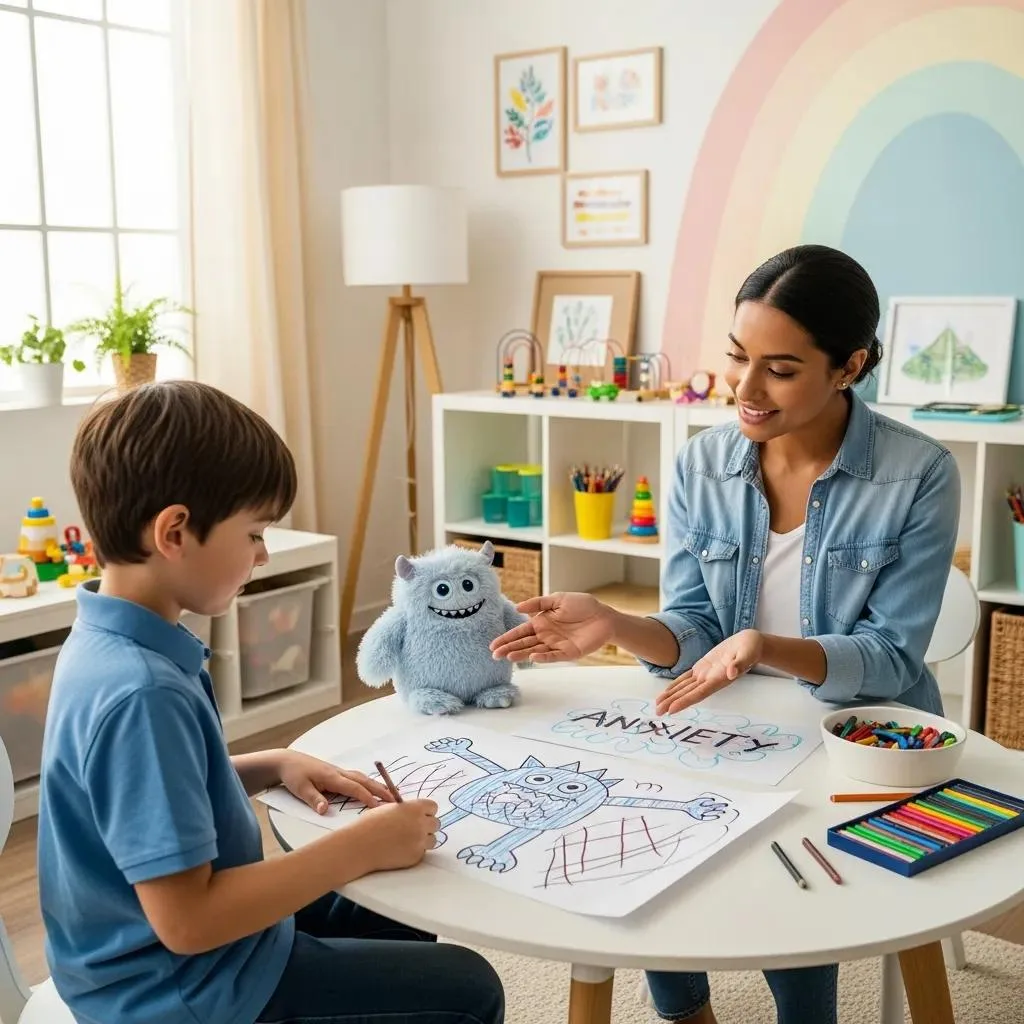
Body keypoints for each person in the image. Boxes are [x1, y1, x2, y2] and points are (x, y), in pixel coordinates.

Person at [490, 244, 960, 1024]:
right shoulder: (702, 463)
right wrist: (616, 625)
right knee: (640, 847)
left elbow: (889, 658)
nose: (743, 389)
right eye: (738, 357)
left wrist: (763, 649)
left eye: (779, 368)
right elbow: (695, 626)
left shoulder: (918, 474)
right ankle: (686, 1013)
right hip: (726, 719)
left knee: (792, 891)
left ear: (848, 365)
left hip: (858, 734)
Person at [37, 381, 504, 1024]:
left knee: (394, 903)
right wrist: (361, 845)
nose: (261, 554)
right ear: (175, 531)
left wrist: (272, 762)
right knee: (470, 990)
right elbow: (189, 921)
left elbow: (143, 805)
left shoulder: (107, 642)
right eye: (255, 532)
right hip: (183, 991)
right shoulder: (141, 694)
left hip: (167, 964)